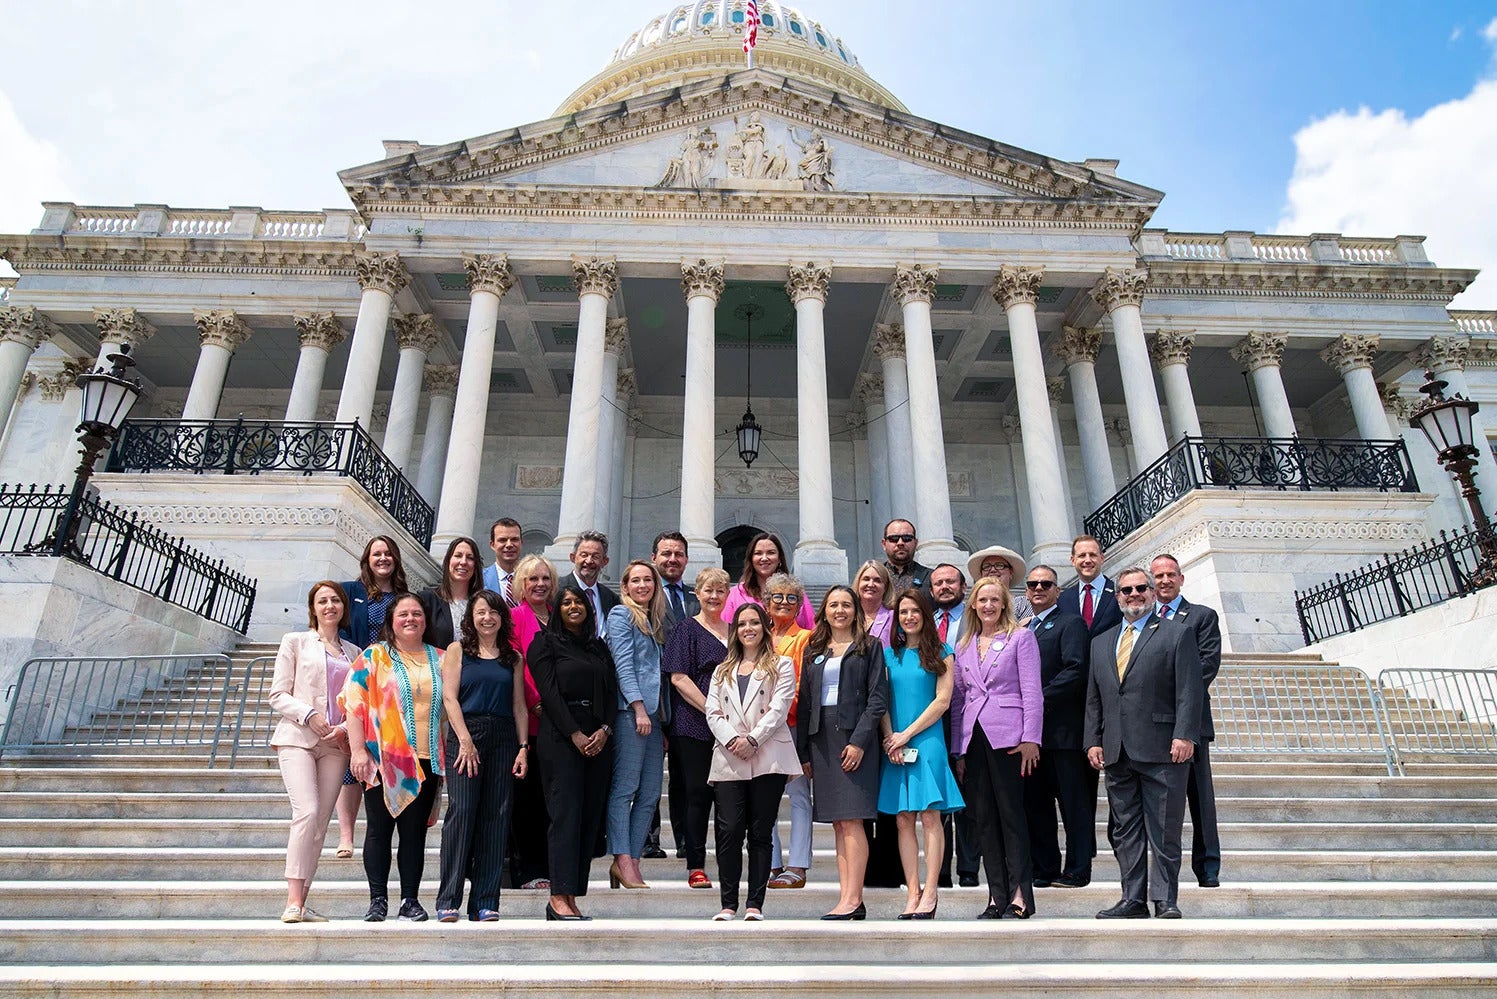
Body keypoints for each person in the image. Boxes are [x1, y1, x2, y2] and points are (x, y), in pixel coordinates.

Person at [1085, 567, 1204, 920]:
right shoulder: (1101, 642)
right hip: (1117, 750)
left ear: (1152, 593)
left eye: (1140, 588)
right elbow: (1094, 698)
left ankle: (1165, 899)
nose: (1133, 594)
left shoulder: (1176, 634)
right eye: (1126, 590)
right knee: (1125, 831)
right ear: (1117, 596)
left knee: (1165, 828)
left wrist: (1185, 734)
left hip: (1163, 748)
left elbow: (1189, 690)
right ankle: (1132, 899)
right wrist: (1093, 740)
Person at [341, 592, 445, 922]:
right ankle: (378, 899)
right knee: (379, 830)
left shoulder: (441, 658)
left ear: (426, 621)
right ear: (391, 621)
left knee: (414, 833)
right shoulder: (374, 656)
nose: (410, 619)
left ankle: (410, 901)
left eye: (417, 613)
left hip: (427, 757)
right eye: (403, 614)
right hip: (381, 757)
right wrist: (357, 751)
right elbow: (354, 704)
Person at [950, 576, 1042, 919]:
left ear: (1004, 603)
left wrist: (1031, 737)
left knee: (1012, 815)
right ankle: (995, 895)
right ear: (972, 604)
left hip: (1010, 737)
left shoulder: (1021, 638)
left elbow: (1032, 691)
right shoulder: (963, 646)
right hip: (974, 739)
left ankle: (1020, 893)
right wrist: (959, 750)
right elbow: (960, 699)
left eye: (994, 600)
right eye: (982, 600)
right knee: (984, 819)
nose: (988, 606)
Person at [435, 589, 529, 922]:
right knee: (462, 812)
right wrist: (465, 740)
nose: (487, 617)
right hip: (467, 733)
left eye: (493, 612)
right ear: (471, 618)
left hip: (504, 736)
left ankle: (486, 900)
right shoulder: (458, 650)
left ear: (502, 617)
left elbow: (519, 705)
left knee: (497, 815)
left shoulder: (513, 657)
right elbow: (449, 698)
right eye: (480, 612)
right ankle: (449, 899)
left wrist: (522, 748)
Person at [269, 581, 360, 923]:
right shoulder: (295, 642)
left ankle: (303, 901)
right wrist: (310, 715)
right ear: (313, 607)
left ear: (343, 607)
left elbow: (358, 702)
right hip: (299, 737)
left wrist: (347, 726)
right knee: (306, 811)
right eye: (322, 601)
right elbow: (278, 694)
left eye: (335, 600)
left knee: (321, 822)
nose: (329, 606)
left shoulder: (353, 652)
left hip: (336, 744)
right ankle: (292, 900)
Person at [796, 586, 887, 919]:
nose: (839, 610)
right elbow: (805, 701)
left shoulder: (870, 647)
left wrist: (860, 742)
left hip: (853, 738)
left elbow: (877, 700)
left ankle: (853, 897)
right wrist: (804, 751)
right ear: (824, 611)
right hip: (822, 740)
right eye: (833, 604)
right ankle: (849, 897)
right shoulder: (814, 649)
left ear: (855, 610)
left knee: (852, 822)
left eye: (846, 604)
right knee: (838, 824)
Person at [705, 603, 800, 920]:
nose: (748, 629)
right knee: (729, 830)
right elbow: (712, 712)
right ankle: (727, 903)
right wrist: (733, 739)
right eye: (742, 623)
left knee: (761, 831)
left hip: (768, 754)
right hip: (729, 755)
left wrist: (753, 739)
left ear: (764, 627)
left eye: (754, 623)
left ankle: (754, 904)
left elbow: (779, 708)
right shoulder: (722, 670)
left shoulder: (782, 665)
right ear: (735, 630)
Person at [528, 583, 618, 920]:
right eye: (565, 602)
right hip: (562, 737)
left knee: (588, 817)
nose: (573, 607)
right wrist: (575, 733)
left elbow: (612, 693)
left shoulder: (598, 648)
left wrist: (605, 730)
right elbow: (549, 693)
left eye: (578, 602)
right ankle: (557, 897)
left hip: (598, 737)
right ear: (557, 610)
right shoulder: (544, 644)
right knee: (565, 815)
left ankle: (573, 894)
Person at [878, 589, 964, 919]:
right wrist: (890, 738)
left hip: (926, 742)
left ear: (925, 615)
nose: (909, 617)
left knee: (930, 815)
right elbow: (882, 700)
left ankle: (931, 890)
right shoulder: (889, 654)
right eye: (903, 612)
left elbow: (942, 701)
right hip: (895, 742)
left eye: (915, 611)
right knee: (902, 818)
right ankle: (912, 891)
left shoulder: (942, 651)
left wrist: (906, 735)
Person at [1020, 563, 1096, 889]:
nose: (1039, 589)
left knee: (1073, 805)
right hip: (1031, 736)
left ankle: (1078, 869)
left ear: (1057, 591)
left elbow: (1075, 670)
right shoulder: (1023, 630)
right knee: (1037, 805)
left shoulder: (1070, 623)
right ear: (1026, 591)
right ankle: (1045, 867)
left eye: (1046, 584)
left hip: (1063, 733)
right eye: (1033, 584)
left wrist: (1035, 698)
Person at [1150, 553, 1224, 889]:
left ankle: (1208, 867)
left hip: (1188, 721)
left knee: (1199, 797)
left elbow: (1205, 666)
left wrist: (1168, 696)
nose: (1164, 581)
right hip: (1150, 724)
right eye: (1158, 576)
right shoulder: (1141, 619)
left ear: (1181, 578)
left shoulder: (1201, 617)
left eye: (1170, 575)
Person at [334, 535, 408, 856]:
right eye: (377, 554)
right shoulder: (351, 592)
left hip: (392, 688)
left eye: (388, 553)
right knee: (353, 759)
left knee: (386, 755)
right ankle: (346, 834)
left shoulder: (406, 598)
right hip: (359, 681)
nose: (383, 559)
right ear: (367, 559)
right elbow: (342, 634)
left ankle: (384, 828)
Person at [661, 567, 732, 889]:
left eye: (720, 590)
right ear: (697, 594)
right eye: (708, 590)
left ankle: (728, 861)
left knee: (728, 796)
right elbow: (678, 677)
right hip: (694, 724)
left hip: (734, 726)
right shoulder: (685, 630)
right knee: (697, 794)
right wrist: (711, 710)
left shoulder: (735, 631)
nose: (714, 596)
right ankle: (696, 864)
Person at [604, 559, 667, 890]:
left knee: (651, 792)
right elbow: (623, 665)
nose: (643, 585)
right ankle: (621, 858)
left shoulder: (652, 620)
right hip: (631, 712)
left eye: (649, 580)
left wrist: (656, 715)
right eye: (636, 581)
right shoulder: (621, 615)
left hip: (653, 716)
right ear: (625, 586)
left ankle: (633, 860)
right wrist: (638, 707)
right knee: (625, 788)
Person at [506, 553, 555, 891]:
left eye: (545, 578)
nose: (539, 584)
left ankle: (551, 866)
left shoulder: (559, 617)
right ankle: (526, 870)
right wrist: (536, 704)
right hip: (530, 722)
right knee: (527, 801)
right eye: (533, 579)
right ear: (521, 584)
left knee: (552, 799)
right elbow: (515, 667)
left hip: (560, 725)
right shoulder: (513, 618)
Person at [650, 530, 698, 860]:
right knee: (649, 775)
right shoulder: (645, 594)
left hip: (687, 701)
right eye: (666, 553)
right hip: (654, 698)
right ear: (654, 558)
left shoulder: (695, 599)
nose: (672, 559)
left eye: (678, 554)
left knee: (684, 777)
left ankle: (684, 838)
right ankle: (648, 838)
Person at [929, 562, 977, 888]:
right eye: (939, 583)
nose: (945, 587)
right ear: (931, 590)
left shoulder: (975, 622)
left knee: (969, 791)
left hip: (971, 714)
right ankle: (942, 869)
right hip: (935, 717)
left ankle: (970, 868)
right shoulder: (926, 624)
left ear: (963, 586)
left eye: (951, 582)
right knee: (940, 794)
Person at [763, 572, 812, 890]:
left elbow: (801, 684)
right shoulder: (757, 635)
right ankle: (771, 864)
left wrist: (778, 716)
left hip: (790, 724)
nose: (783, 602)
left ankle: (797, 865)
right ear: (766, 603)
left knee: (797, 796)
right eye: (777, 597)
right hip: (758, 729)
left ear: (799, 605)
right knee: (763, 798)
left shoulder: (806, 637)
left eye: (791, 598)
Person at [721, 532, 814, 630]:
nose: (764, 558)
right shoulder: (735, 594)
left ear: (779, 559)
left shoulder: (796, 594)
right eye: (758, 553)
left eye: (771, 553)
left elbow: (812, 630)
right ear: (751, 559)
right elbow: (725, 632)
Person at [420, 536, 481, 649]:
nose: (463, 562)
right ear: (448, 561)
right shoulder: (427, 600)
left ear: (476, 565)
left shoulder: (482, 603)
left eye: (470, 558)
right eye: (458, 556)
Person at [1058, 534, 1122, 638]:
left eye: (1092, 555)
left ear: (1101, 558)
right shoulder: (1063, 599)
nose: (1087, 560)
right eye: (1082, 555)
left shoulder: (1119, 592)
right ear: (1073, 560)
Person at [564, 530, 619, 636]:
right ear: (573, 557)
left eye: (595, 556)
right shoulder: (557, 590)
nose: (589, 561)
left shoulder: (611, 598)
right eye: (584, 555)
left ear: (605, 562)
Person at [967, 545, 1032, 620]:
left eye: (999, 565)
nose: (992, 570)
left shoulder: (1023, 604)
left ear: (1011, 573)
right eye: (986, 566)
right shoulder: (973, 606)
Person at [881, 519, 932, 594]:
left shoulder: (931, 577)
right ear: (884, 544)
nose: (900, 543)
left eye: (907, 538)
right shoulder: (872, 577)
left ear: (915, 543)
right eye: (894, 539)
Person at [482, 517, 524, 604]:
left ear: (521, 543)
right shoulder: (479, 579)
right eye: (502, 540)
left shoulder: (533, 580)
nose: (509, 545)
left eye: (514, 539)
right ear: (492, 545)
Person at [853, 559, 896, 643]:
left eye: (877, 580)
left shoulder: (894, 617)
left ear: (885, 587)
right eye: (866, 579)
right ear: (858, 583)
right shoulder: (849, 615)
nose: (871, 584)